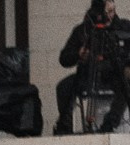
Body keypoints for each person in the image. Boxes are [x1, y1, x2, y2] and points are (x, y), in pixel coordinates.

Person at [56, 1, 130, 134]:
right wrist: (78, 54)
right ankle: (65, 125)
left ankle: (110, 124)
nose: (110, 16)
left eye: (112, 11)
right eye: (107, 12)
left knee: (126, 84)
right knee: (64, 86)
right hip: (87, 74)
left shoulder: (124, 27)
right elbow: (64, 59)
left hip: (116, 74)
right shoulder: (83, 30)